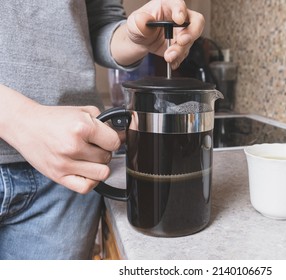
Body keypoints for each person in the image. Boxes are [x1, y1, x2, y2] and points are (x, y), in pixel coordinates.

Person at [0, 0, 204, 259]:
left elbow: (98, 24)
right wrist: (18, 119)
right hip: (65, 155)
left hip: (72, 168)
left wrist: (135, 38)